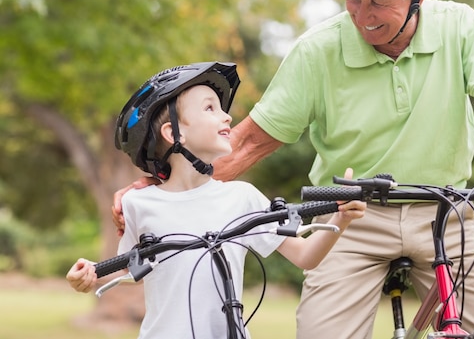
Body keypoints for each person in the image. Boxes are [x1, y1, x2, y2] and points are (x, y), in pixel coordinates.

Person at [112, 0, 474, 338]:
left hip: (445, 209)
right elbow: (251, 142)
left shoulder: (458, 27)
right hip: (351, 216)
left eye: (379, 1)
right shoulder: (318, 50)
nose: (363, 16)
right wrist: (165, 187)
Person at [67, 62, 365, 339]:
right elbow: (129, 270)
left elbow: (306, 256)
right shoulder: (139, 204)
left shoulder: (242, 198)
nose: (227, 116)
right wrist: (91, 274)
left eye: (222, 108)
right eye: (210, 108)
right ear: (174, 133)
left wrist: (342, 218)